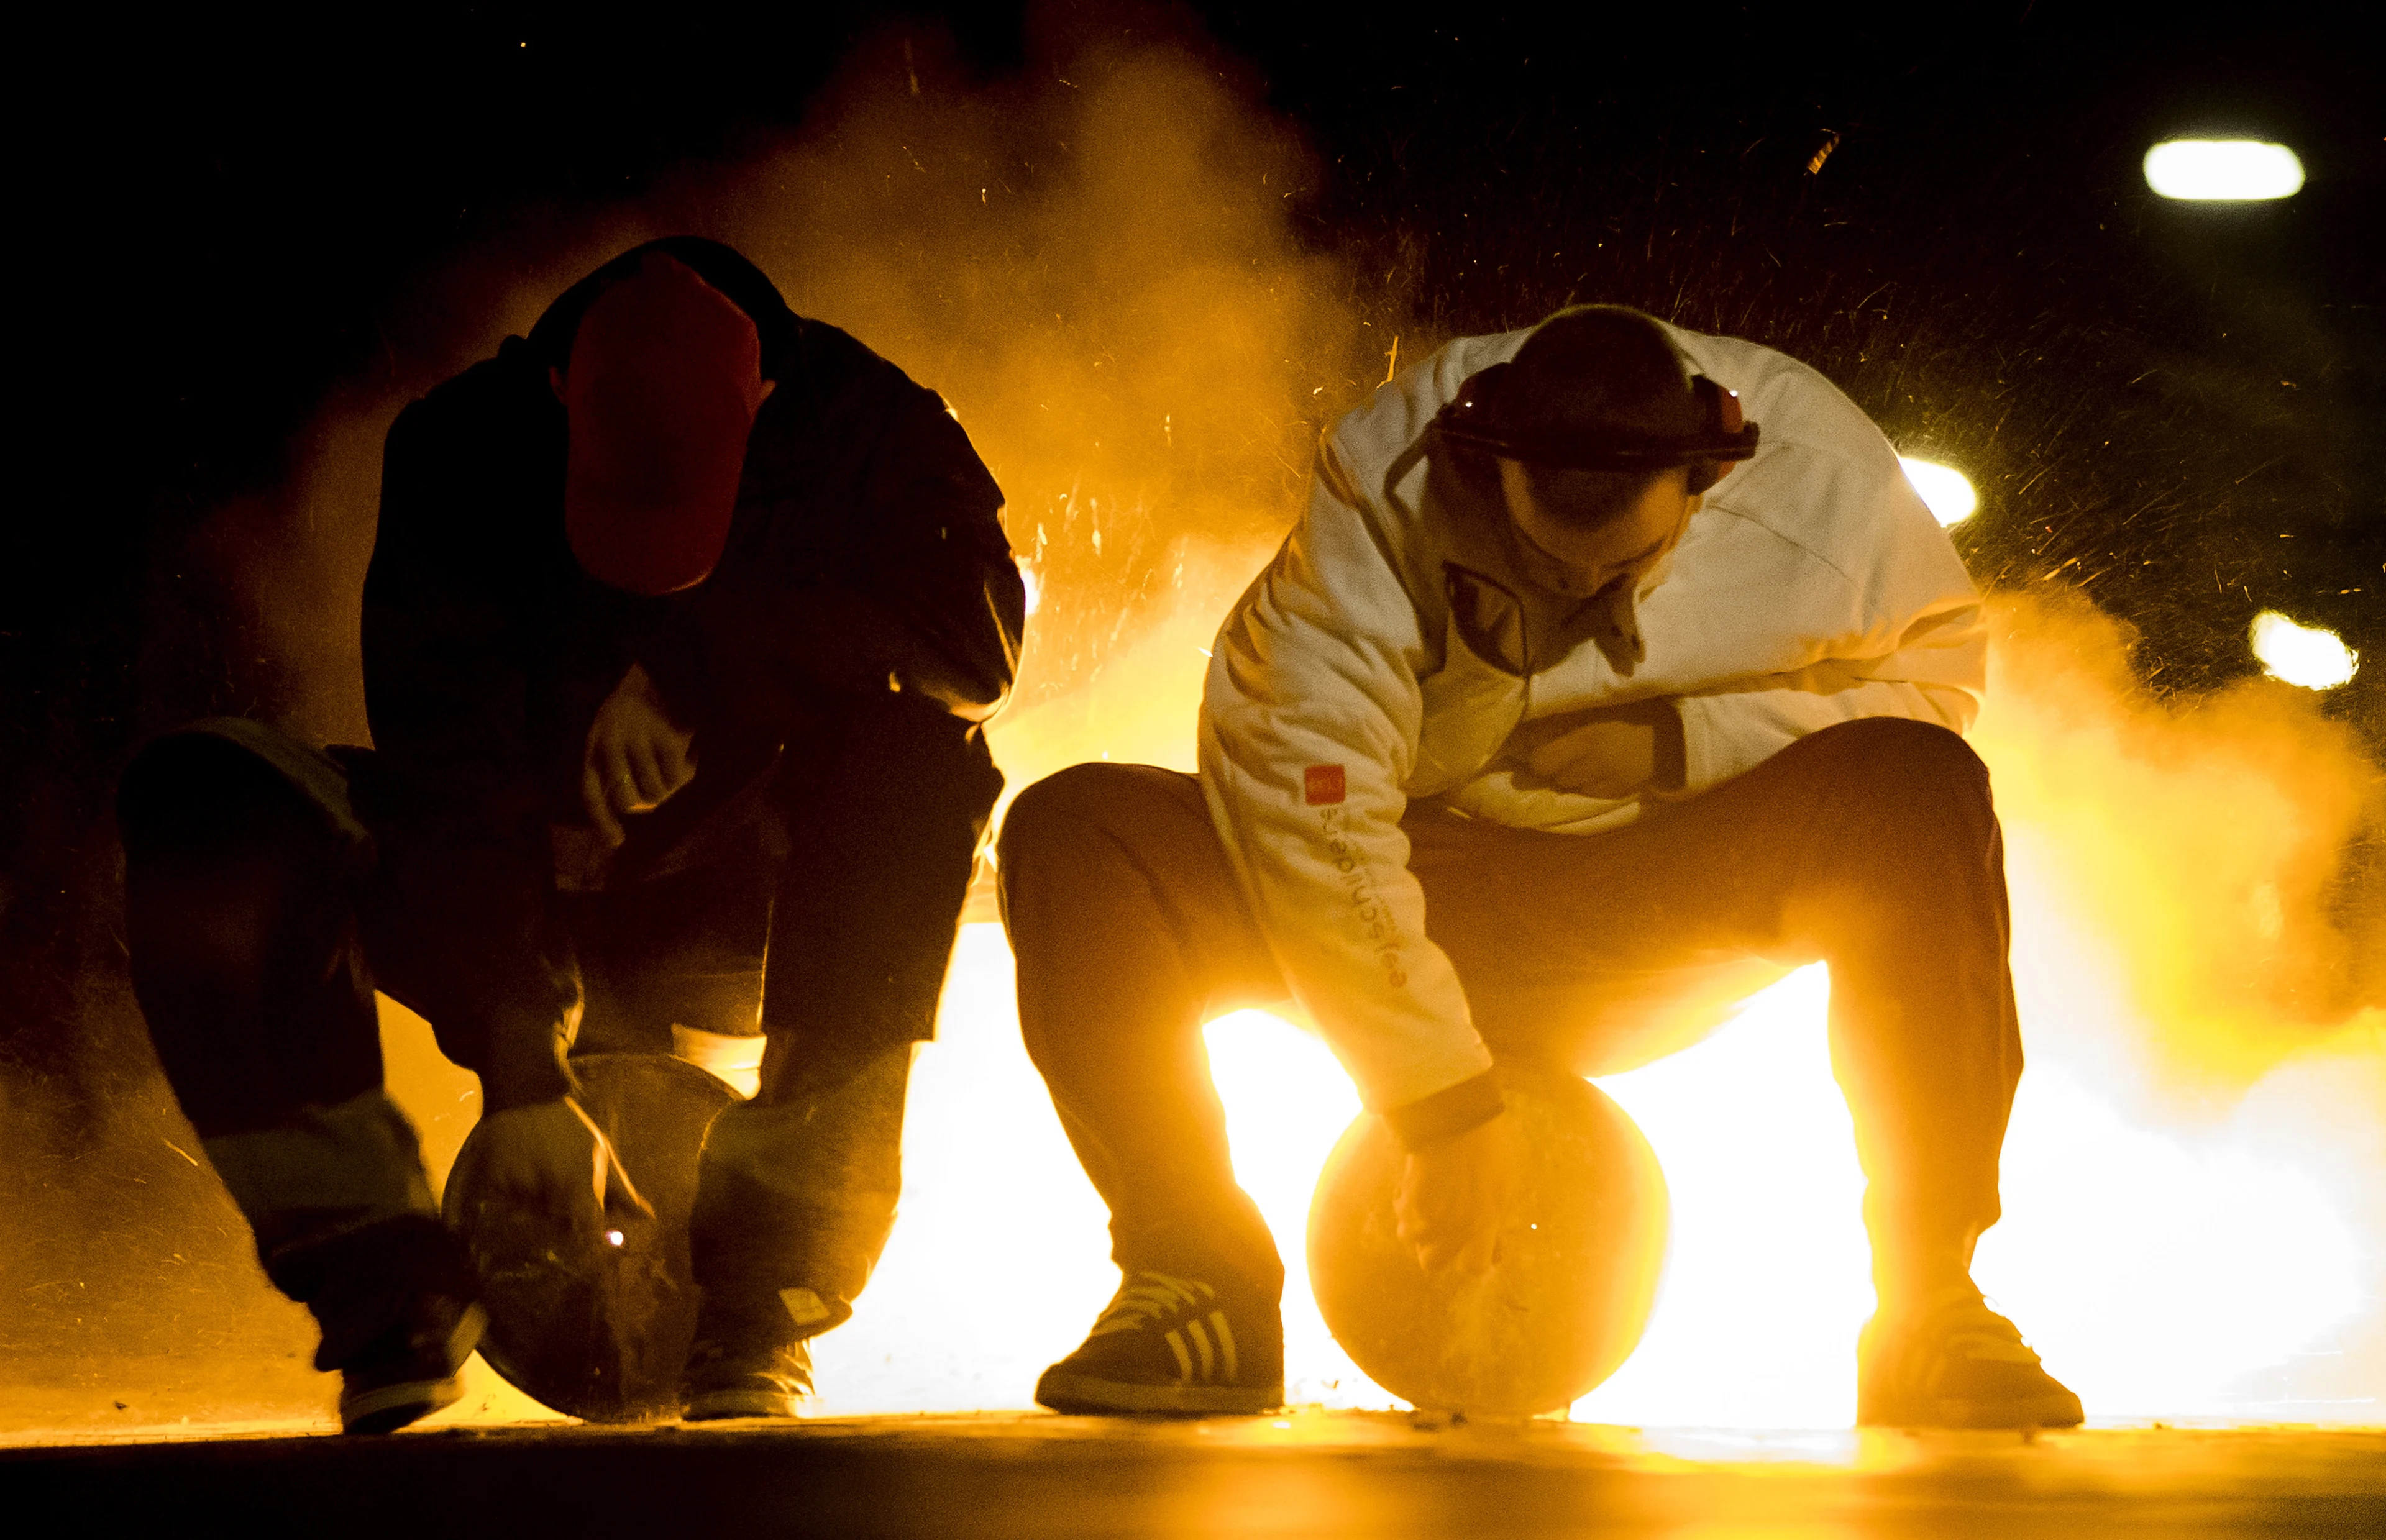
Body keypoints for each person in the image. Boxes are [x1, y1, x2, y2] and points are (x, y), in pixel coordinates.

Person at [996, 304, 2083, 1428]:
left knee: (1920, 793)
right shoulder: (1387, 485)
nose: (1581, 596)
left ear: (1706, 480)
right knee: (1079, 832)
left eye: (1626, 565)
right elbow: (1303, 782)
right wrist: (1437, 1098)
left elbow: (1933, 683)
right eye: (1545, 561)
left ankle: (1930, 1300)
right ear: (1487, 462)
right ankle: (1197, 1275)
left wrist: (1686, 741)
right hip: (1419, 874)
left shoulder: (1822, 484)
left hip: (1652, 898)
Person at [116, 238, 1022, 1432]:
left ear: (765, 403)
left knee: (922, 757)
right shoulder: (458, 449)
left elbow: (976, 644)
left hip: (747, 900)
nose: (643, 576)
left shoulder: (869, 425)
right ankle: (385, 1286)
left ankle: (768, 1294)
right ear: (555, 393)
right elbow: (448, 774)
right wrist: (522, 1065)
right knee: (207, 796)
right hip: (509, 885)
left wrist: (702, 675)